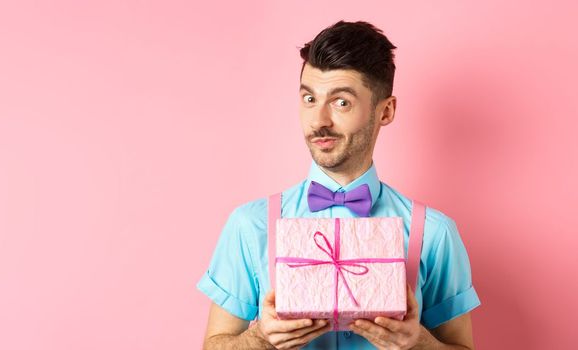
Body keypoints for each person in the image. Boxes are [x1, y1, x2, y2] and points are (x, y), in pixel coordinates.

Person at [197, 20, 480, 349]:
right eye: (309, 99)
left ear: (385, 111)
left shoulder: (433, 232)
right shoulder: (250, 225)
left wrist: (418, 342)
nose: (319, 121)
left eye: (341, 102)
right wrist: (260, 338)